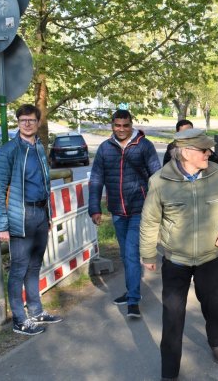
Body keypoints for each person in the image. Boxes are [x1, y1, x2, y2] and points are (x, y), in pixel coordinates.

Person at [139, 128, 218, 381]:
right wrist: (148, 255)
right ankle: (169, 372)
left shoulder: (217, 175)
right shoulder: (160, 181)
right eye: (204, 150)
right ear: (186, 152)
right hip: (176, 261)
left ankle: (216, 342)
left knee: (213, 305)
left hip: (210, 257)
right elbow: (150, 221)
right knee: (173, 316)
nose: (210, 153)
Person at [0, 104, 63, 335]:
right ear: (18, 122)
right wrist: (2, 225)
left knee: (34, 266)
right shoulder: (10, 150)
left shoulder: (40, 147)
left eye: (31, 120)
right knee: (19, 269)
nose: (27, 123)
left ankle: (36, 311)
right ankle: (19, 321)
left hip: (40, 214)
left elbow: (45, 183)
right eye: (23, 120)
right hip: (20, 216)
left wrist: (49, 215)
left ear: (38, 121)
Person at [88, 109, 161, 319]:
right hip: (117, 210)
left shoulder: (144, 146)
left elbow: (156, 177)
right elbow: (96, 179)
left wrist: (157, 206)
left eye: (125, 125)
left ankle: (133, 302)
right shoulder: (105, 148)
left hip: (140, 208)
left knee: (130, 253)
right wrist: (95, 208)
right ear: (112, 125)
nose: (121, 129)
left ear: (131, 125)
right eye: (117, 125)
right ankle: (131, 291)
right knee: (125, 255)